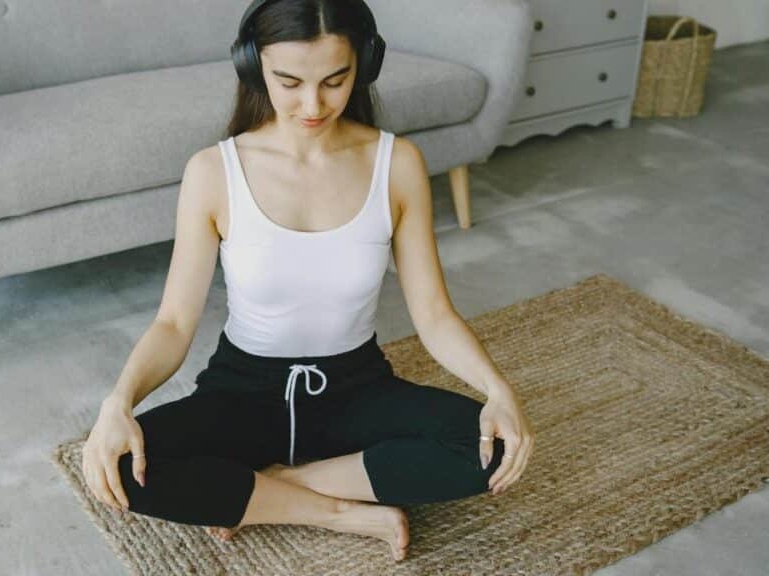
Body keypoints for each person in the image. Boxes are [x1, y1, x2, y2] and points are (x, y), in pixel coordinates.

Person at [82, 0, 534, 563]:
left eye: (335, 80)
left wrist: (499, 391)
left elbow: (434, 313)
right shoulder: (212, 172)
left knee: (495, 449)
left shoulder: (397, 163)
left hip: (357, 388)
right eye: (289, 82)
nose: (313, 104)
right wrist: (118, 402)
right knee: (116, 467)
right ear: (253, 67)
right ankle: (336, 509)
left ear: (362, 66)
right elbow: (173, 323)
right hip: (242, 391)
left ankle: (271, 486)